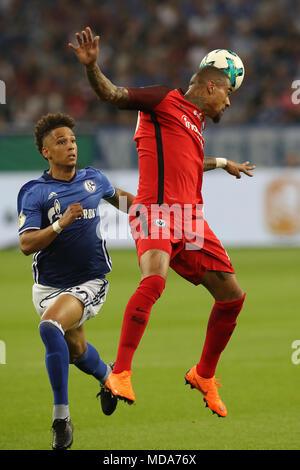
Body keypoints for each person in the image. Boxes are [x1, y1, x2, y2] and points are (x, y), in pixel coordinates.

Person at [69, 27, 256, 418]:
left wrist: (223, 163)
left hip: (191, 222)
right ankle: (119, 372)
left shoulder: (194, 124)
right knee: (154, 279)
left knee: (232, 297)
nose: (228, 102)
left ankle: (204, 374)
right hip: (155, 213)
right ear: (208, 87)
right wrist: (92, 68)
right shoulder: (163, 101)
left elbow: (187, 163)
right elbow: (113, 94)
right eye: (228, 93)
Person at [17, 112, 135, 450]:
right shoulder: (35, 192)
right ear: (45, 152)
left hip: (89, 281)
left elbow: (129, 203)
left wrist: (162, 210)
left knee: (50, 326)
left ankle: (61, 418)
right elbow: (26, 245)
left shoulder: (94, 179)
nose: (70, 146)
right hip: (49, 286)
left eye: (72, 140)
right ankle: (109, 377)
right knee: (77, 349)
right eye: (60, 142)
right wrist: (60, 224)